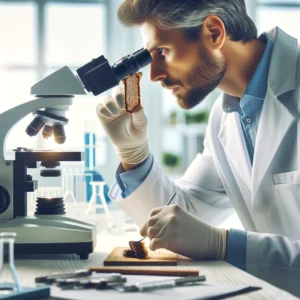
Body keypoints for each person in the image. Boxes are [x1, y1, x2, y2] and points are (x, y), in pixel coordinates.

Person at [96, 0, 300, 296]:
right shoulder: (225, 117)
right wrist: (134, 156)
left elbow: (203, 234)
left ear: (214, 32)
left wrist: (223, 244)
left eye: (163, 52)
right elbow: (180, 217)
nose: (154, 75)